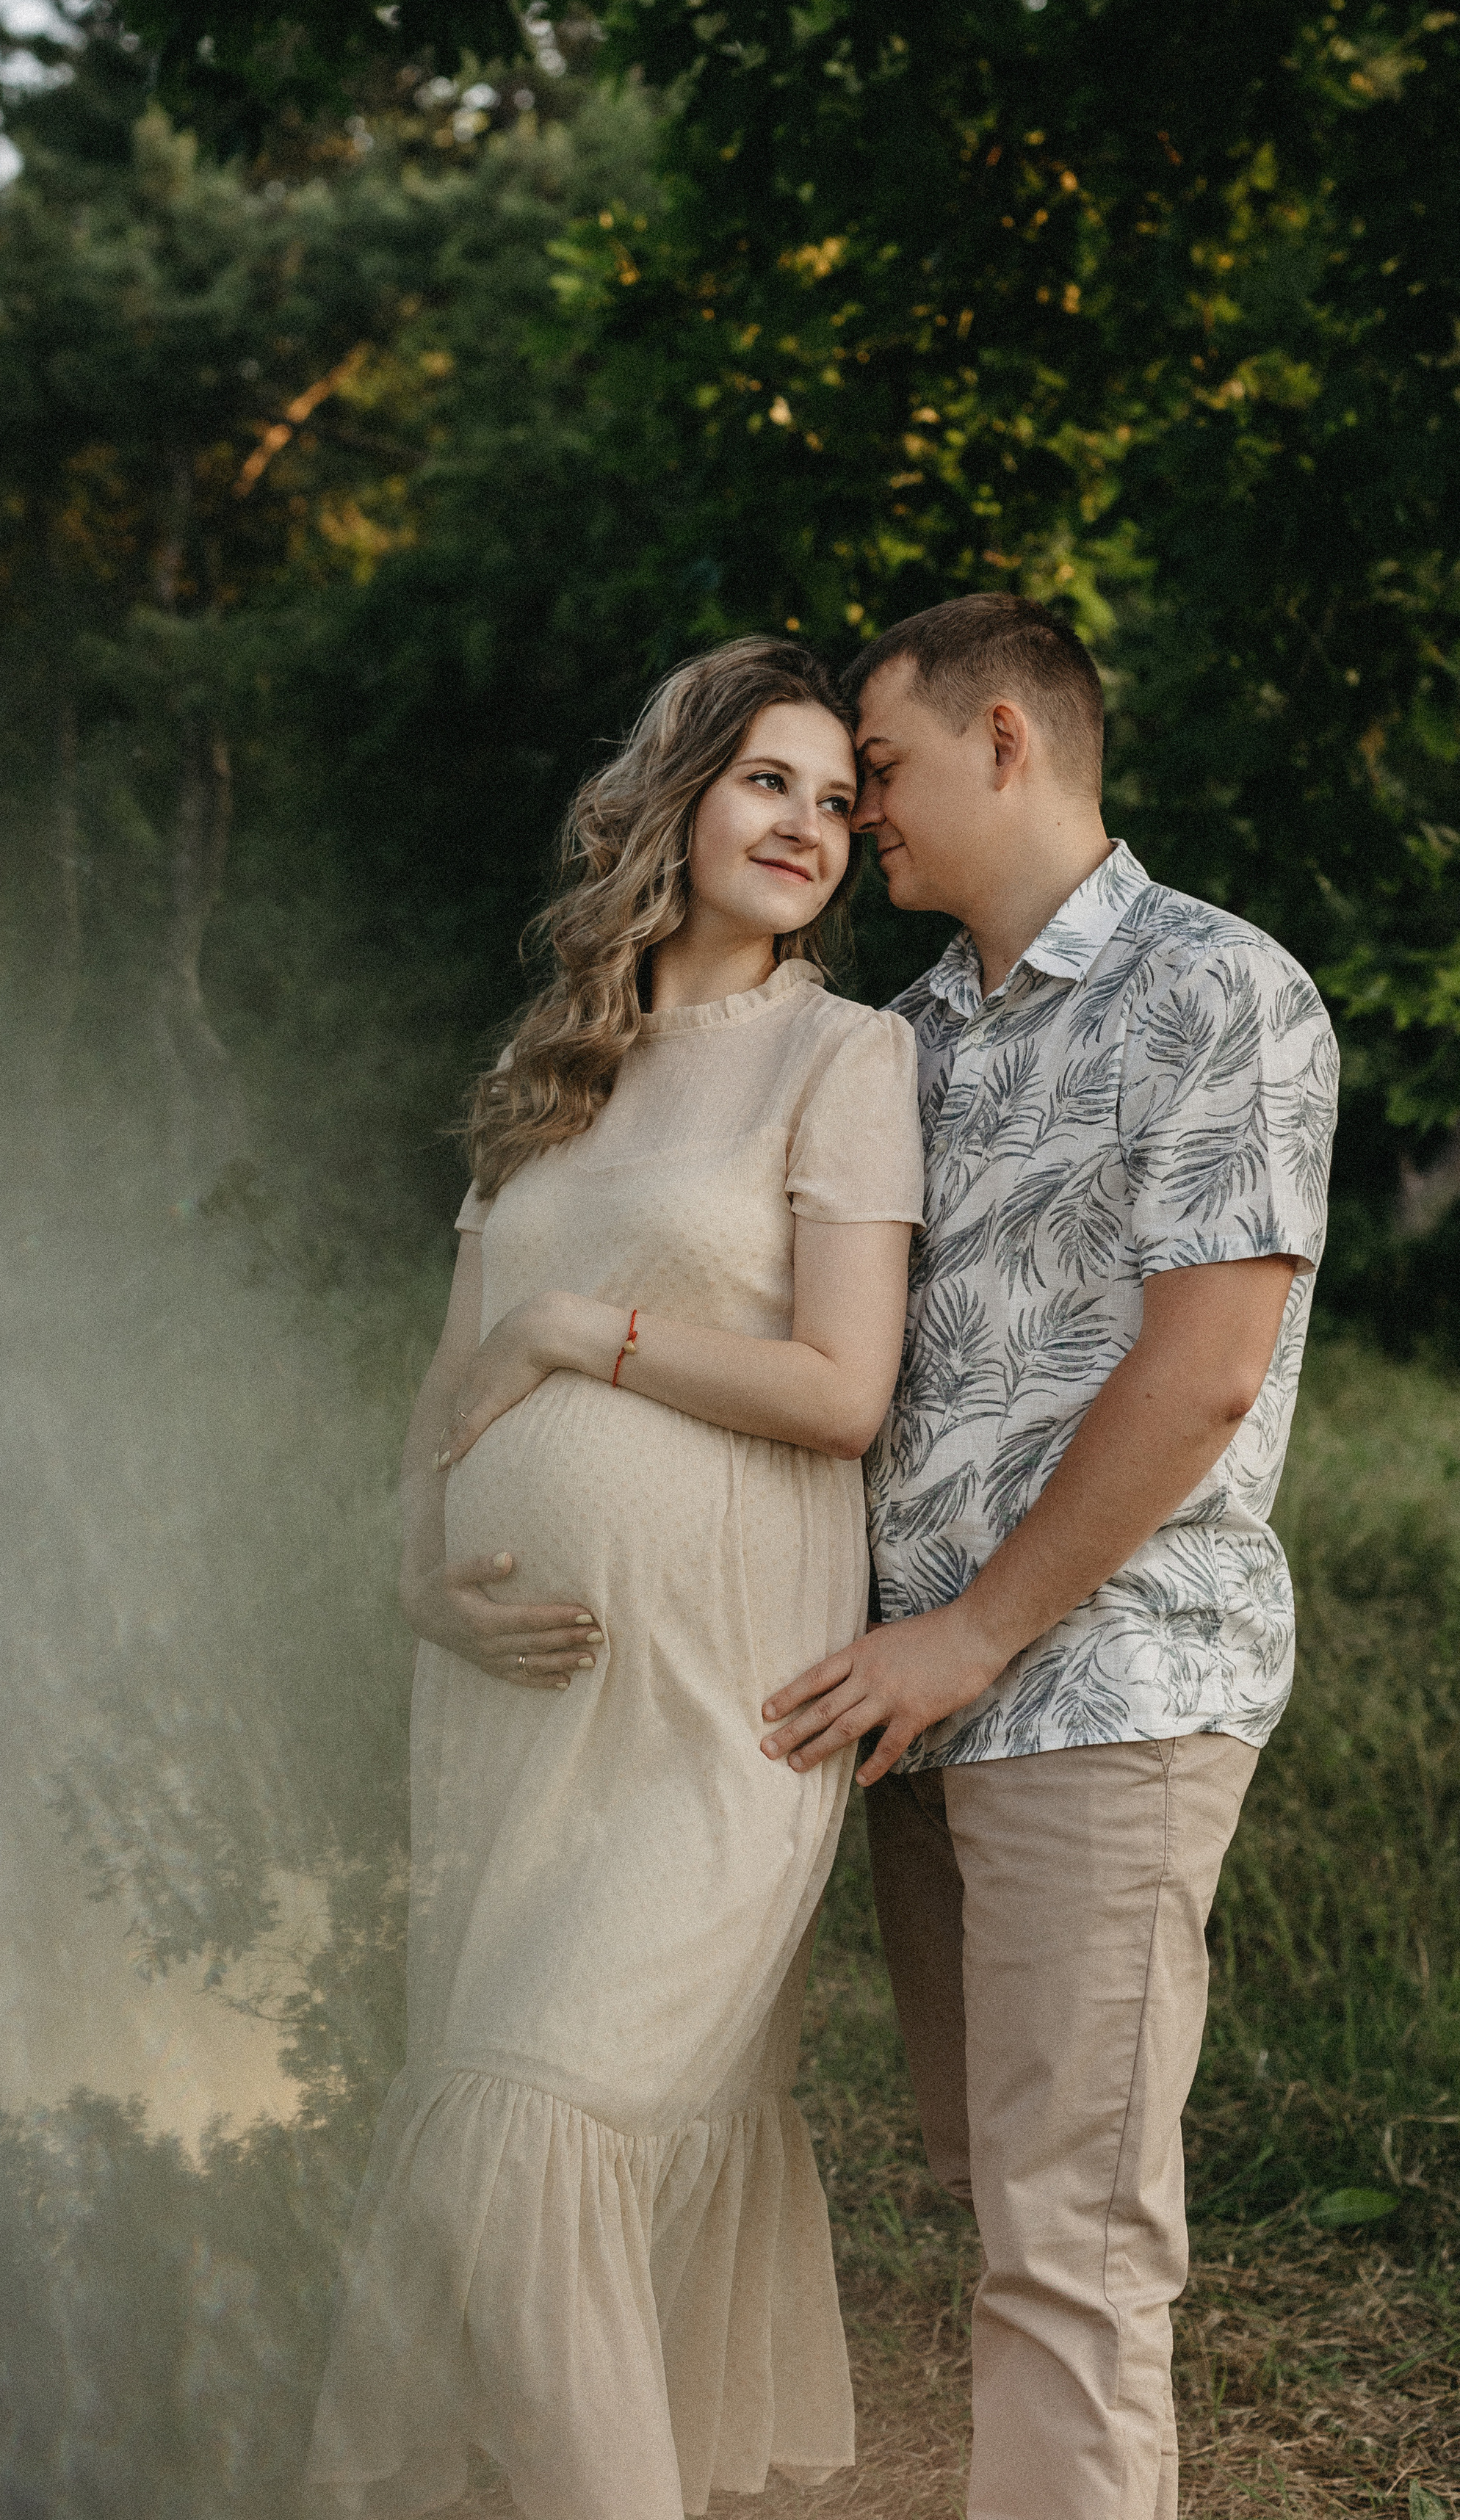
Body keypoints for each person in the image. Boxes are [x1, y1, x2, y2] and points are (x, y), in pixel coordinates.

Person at [305, 637, 925, 2519]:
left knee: (525, 2135)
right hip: (512, 1711)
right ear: (675, 794)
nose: (808, 826)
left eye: (838, 801)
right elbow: (447, 1371)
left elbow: (839, 1391)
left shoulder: (846, 1052)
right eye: (768, 782)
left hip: (719, 1706)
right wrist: (416, 1572)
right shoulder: (548, 1063)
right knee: (496, 2152)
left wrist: (592, 1328)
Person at [761, 593, 1341, 2520]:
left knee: (1073, 2246)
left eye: (886, 772)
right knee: (990, 2189)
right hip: (924, 1708)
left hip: (1099, 1681)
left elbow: (1204, 1377)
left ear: (1008, 739)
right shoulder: (907, 1040)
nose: (860, 817)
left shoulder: (1217, 988)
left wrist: (974, 1637)